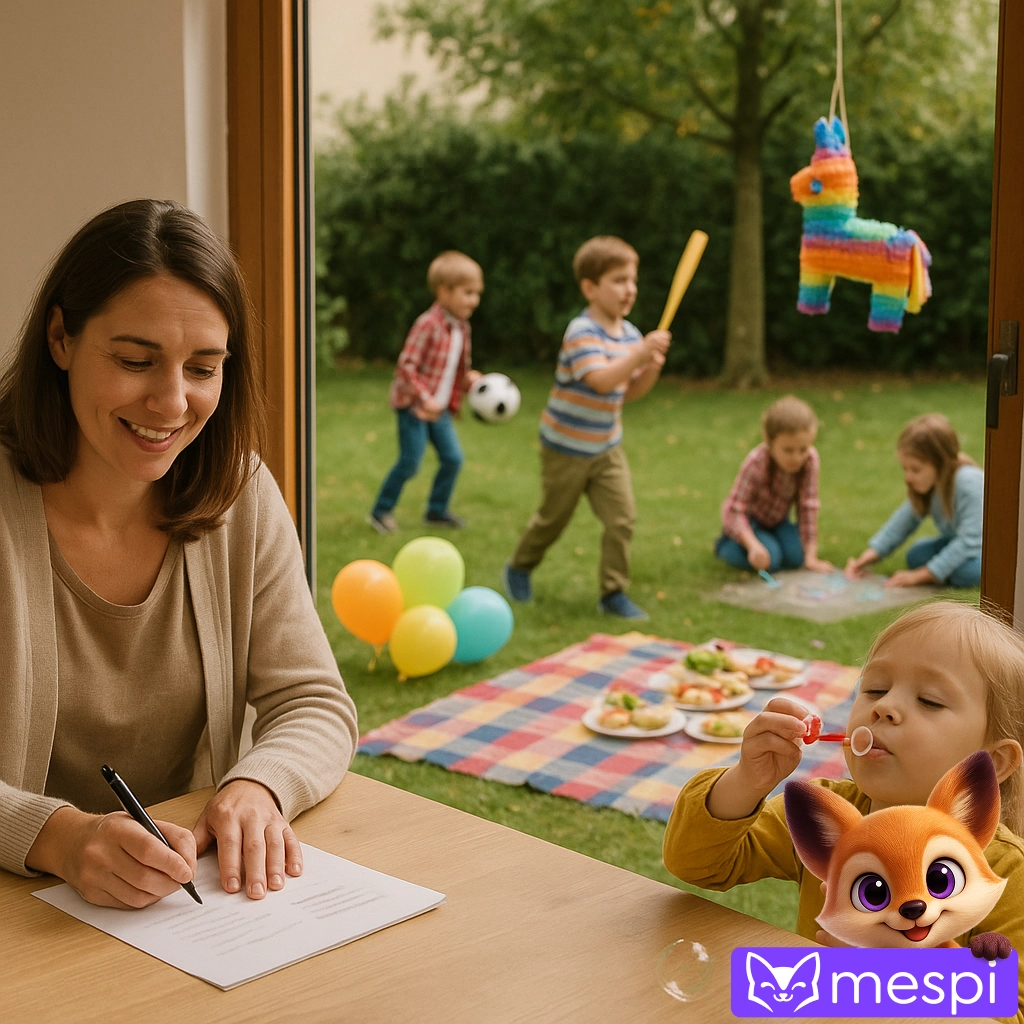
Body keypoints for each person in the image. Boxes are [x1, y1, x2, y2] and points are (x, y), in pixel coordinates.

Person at [0, 199, 358, 909]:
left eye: (203, 368)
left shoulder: (240, 493)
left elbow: (313, 701)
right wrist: (55, 837)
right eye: (135, 360)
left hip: (180, 915)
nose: (171, 402)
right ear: (61, 339)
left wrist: (262, 783)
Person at [663, 601, 1024, 1019]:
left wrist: (900, 981)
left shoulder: (1004, 871)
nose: (883, 707)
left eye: (929, 700)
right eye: (874, 688)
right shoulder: (825, 815)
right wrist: (748, 780)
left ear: (993, 762)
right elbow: (697, 863)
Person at [501, 236, 670, 620]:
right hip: (565, 447)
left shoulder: (628, 335)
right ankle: (519, 567)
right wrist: (640, 354)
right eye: (618, 280)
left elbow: (627, 393)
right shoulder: (582, 331)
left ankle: (613, 593)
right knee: (553, 518)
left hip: (606, 446)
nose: (630, 289)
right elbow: (601, 381)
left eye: (632, 280)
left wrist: (651, 369)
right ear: (590, 288)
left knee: (622, 518)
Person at [367, 251, 483, 534]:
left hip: (439, 409)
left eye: (476, 293)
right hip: (414, 407)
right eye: (467, 293)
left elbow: (451, 368)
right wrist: (425, 398)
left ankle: (436, 510)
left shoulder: (462, 327)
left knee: (453, 459)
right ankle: (381, 511)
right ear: (444, 291)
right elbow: (406, 366)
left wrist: (469, 379)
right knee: (410, 462)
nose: (473, 300)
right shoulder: (428, 324)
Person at [845, 412, 982, 588]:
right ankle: (944, 571)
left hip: (987, 552)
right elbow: (902, 522)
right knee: (916, 555)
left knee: (968, 572)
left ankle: (945, 573)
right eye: (905, 469)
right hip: (959, 544)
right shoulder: (930, 485)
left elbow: (970, 542)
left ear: (941, 464)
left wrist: (919, 576)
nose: (908, 477)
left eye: (915, 470)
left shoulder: (968, 483)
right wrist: (868, 556)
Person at [715, 395, 832, 575]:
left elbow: (807, 506)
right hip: (749, 522)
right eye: (788, 450)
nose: (796, 458)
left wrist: (811, 556)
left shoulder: (810, 461)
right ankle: (726, 545)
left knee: (796, 558)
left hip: (777, 520)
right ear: (769, 442)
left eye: (803, 449)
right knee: (771, 561)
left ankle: (771, 543)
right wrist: (752, 545)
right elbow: (734, 509)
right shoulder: (756, 462)